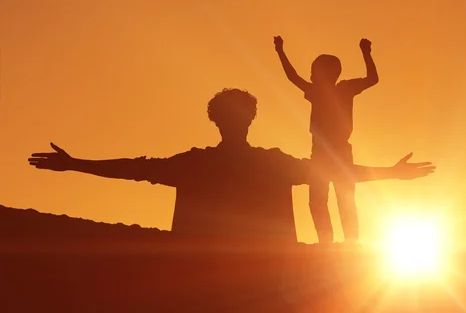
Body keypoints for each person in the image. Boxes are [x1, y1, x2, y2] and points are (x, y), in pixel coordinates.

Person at [28, 88, 433, 250]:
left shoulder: (201, 164)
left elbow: (134, 169)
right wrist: (392, 174)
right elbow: (336, 174)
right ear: (246, 119)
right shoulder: (259, 164)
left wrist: (75, 165)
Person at [273, 35, 378, 244]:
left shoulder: (339, 89)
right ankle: (330, 242)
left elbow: (372, 79)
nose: (311, 75)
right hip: (323, 152)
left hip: (335, 152)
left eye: (314, 71)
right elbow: (293, 77)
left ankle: (345, 243)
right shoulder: (321, 91)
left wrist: (366, 53)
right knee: (322, 200)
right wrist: (280, 52)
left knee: (337, 200)